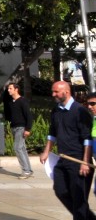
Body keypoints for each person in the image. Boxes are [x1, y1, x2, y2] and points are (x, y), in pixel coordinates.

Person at [40, 81, 94, 219]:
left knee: (79, 199)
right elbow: (52, 132)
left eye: (56, 92)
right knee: (60, 190)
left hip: (78, 160)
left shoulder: (80, 111)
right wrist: (47, 151)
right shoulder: (56, 110)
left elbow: (87, 138)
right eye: (53, 91)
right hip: (63, 159)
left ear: (66, 92)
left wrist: (85, 162)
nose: (53, 94)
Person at [5, 82, 34, 179]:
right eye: (8, 88)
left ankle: (25, 171)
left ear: (16, 89)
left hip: (21, 128)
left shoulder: (22, 101)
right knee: (22, 148)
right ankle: (28, 170)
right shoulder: (11, 102)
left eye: (10, 88)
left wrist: (28, 129)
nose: (8, 90)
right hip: (14, 128)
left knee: (17, 148)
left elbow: (29, 115)